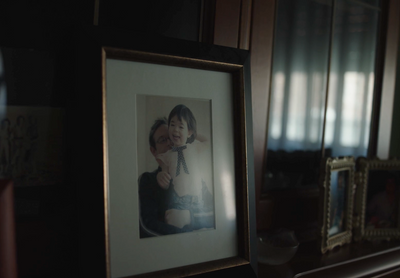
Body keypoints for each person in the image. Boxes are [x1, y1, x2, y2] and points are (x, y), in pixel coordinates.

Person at [138, 117, 213, 238]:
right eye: (162, 140)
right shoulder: (147, 180)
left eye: (171, 136)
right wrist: (186, 238)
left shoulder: (196, 178)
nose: (169, 142)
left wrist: (189, 217)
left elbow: (215, 215)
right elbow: (146, 226)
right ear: (154, 151)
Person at [156, 104, 214, 230]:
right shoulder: (167, 155)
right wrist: (161, 176)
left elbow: (208, 141)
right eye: (172, 125)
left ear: (189, 132)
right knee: (177, 228)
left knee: (200, 226)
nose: (175, 130)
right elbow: (165, 180)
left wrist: (193, 134)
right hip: (178, 202)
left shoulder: (194, 147)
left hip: (197, 199)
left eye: (181, 126)